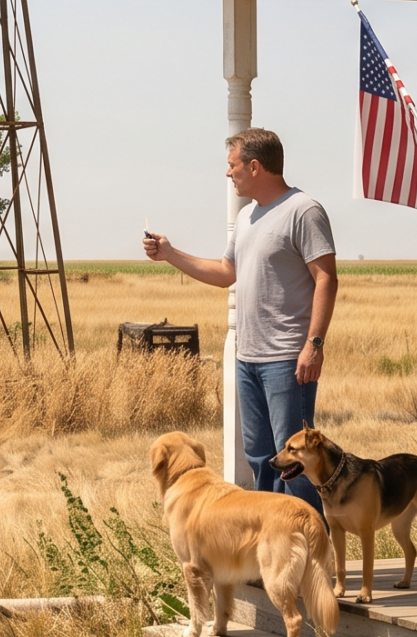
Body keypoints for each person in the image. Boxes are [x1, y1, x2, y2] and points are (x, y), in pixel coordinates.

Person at [145, 128, 339, 514]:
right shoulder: (247, 216)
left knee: (296, 462)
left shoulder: (303, 211)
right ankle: (271, 542)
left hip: (287, 360)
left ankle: (308, 545)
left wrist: (313, 345)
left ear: (254, 166)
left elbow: (326, 279)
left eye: (231, 165)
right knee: (262, 458)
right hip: (248, 359)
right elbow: (225, 273)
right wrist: (170, 254)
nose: (227, 173)